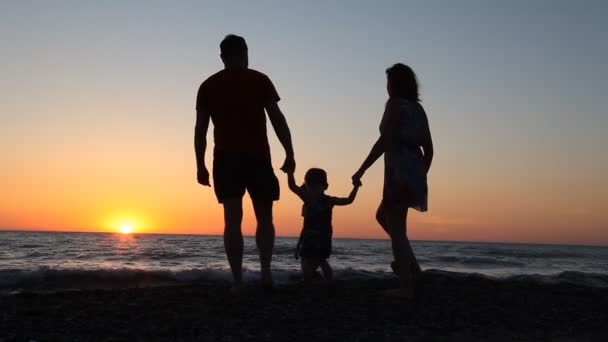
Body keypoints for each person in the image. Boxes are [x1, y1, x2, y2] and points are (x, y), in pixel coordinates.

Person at [194, 34, 296, 291]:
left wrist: (200, 164)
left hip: (226, 160)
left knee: (232, 220)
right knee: (264, 218)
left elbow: (200, 131)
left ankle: (237, 281)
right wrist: (290, 152)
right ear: (245, 53)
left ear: (222, 56)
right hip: (257, 157)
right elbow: (277, 118)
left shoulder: (208, 86)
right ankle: (266, 274)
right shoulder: (260, 80)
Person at [352, 63, 433, 298]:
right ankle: (413, 269)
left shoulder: (395, 105)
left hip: (398, 171)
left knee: (396, 227)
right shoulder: (418, 109)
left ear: (395, 84)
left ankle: (406, 286)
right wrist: (420, 174)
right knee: (385, 217)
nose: (386, 87)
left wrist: (362, 170)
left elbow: (384, 142)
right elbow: (429, 149)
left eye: (388, 82)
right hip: (415, 170)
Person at [287, 168, 360, 294]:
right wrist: (356, 187)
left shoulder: (307, 197)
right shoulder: (330, 200)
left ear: (307, 185)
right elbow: (349, 200)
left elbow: (292, 186)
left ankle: (308, 286)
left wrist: (290, 172)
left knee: (306, 261)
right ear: (326, 185)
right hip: (325, 239)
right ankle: (330, 283)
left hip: (310, 238)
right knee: (322, 261)